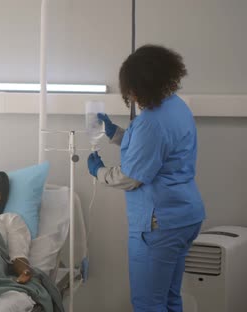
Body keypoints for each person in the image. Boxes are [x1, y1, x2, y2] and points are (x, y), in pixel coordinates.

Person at [87, 45, 205, 312]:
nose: (131, 95)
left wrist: (99, 172)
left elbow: (132, 177)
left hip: (158, 224)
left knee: (148, 304)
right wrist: (115, 133)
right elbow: (155, 153)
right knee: (170, 299)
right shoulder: (176, 107)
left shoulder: (150, 122)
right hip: (185, 217)